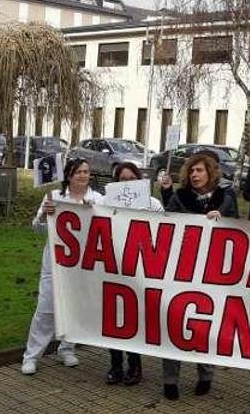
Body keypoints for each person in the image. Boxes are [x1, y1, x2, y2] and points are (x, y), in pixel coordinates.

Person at [161, 153, 238, 400]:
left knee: (205, 324)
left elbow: (238, 231)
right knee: (174, 322)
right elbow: (166, 224)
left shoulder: (225, 198)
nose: (195, 175)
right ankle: (170, 380)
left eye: (200, 171)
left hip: (212, 272)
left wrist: (222, 219)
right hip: (181, 270)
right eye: (191, 170)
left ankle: (206, 375)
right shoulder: (179, 197)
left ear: (210, 173)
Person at [21, 158, 105, 375]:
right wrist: (45, 216)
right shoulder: (54, 197)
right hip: (56, 263)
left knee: (76, 307)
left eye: (86, 172)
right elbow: (37, 228)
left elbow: (108, 227)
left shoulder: (97, 198)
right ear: (69, 175)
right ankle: (31, 356)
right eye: (78, 172)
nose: (83, 176)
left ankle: (66, 348)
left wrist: (94, 212)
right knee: (46, 309)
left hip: (83, 264)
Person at [103, 162, 164, 386]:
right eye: (122, 180)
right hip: (114, 269)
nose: (126, 184)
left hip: (140, 270)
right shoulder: (105, 202)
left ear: (138, 180)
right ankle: (115, 365)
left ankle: (135, 365)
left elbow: (164, 231)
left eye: (131, 179)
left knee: (133, 319)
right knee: (113, 318)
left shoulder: (152, 204)